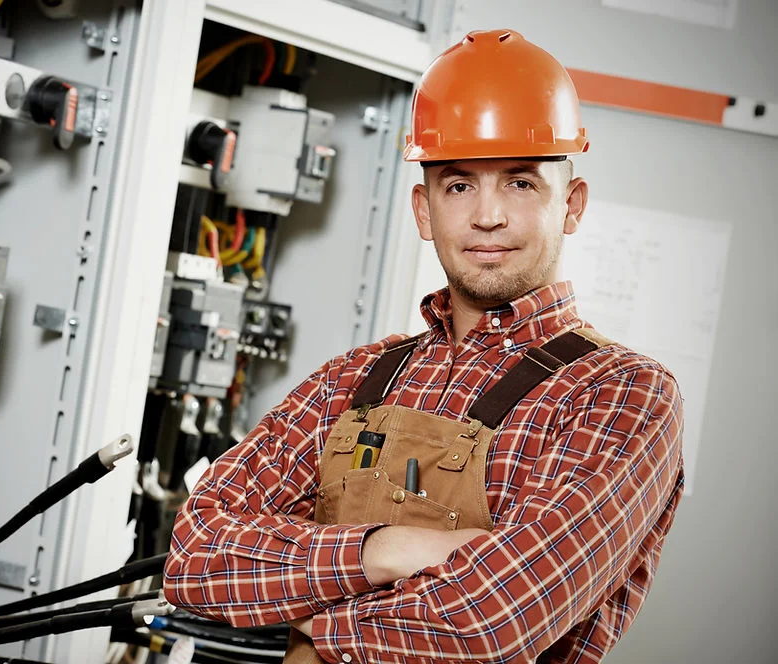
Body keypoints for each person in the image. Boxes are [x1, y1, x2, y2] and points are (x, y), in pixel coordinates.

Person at [163, 29, 684, 664]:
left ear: (571, 206)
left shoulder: (620, 395)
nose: (487, 215)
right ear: (423, 209)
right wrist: (386, 549)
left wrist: (314, 635)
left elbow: (493, 616)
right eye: (459, 185)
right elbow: (196, 556)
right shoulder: (353, 380)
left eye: (521, 183)